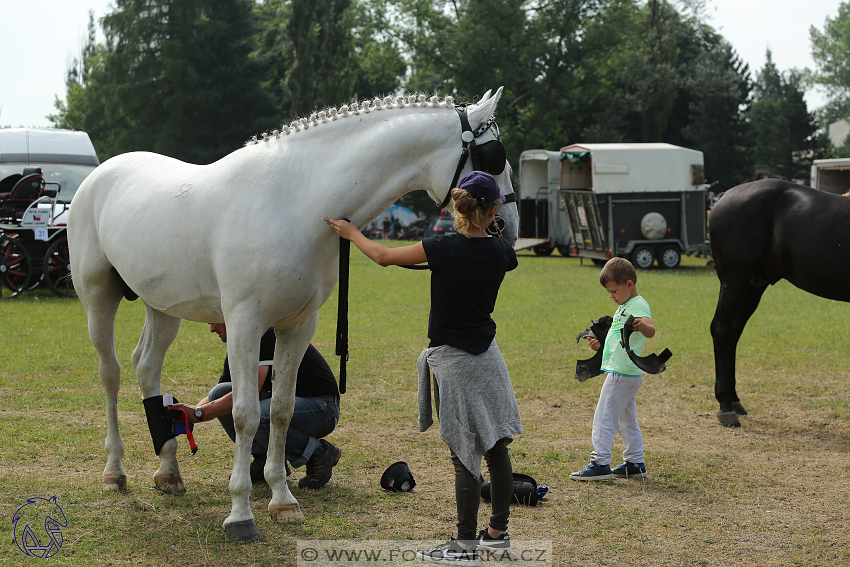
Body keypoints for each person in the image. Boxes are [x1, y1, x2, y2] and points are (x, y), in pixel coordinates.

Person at [326, 170, 521, 566]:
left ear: (455, 205)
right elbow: (501, 240)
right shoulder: (503, 252)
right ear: (491, 209)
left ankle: (466, 547)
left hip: (455, 359)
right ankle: (496, 535)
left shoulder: (443, 247)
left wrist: (352, 234)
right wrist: (491, 221)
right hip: (489, 356)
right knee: (496, 446)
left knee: (465, 453)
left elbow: (382, 257)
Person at [170, 324, 341, 489]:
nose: (211, 329)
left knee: (258, 415)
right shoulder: (238, 344)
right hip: (290, 405)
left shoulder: (263, 334)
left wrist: (202, 413)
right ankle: (265, 458)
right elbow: (218, 398)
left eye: (214, 322)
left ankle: (319, 452)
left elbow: (252, 390)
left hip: (323, 408)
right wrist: (190, 412)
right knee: (220, 393)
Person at [570, 257, 655, 481]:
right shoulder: (625, 305)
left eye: (614, 291)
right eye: (609, 292)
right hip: (627, 374)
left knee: (604, 417)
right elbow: (616, 337)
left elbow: (651, 330)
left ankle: (599, 463)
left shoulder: (638, 305)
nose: (611, 296)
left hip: (622, 374)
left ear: (629, 284)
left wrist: (643, 325)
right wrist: (599, 343)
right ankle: (635, 462)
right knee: (626, 419)